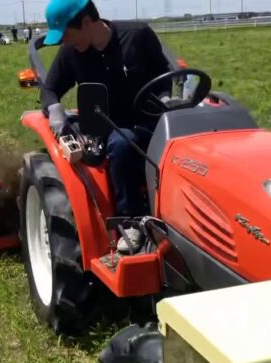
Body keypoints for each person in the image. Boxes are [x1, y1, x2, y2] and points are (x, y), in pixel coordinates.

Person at [41, 0, 172, 253]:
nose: (64, 42)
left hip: (151, 119)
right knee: (122, 146)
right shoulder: (72, 53)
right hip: (108, 127)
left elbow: (163, 70)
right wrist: (55, 112)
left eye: (66, 34)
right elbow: (49, 89)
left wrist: (166, 97)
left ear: (86, 22)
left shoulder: (137, 36)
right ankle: (130, 221)